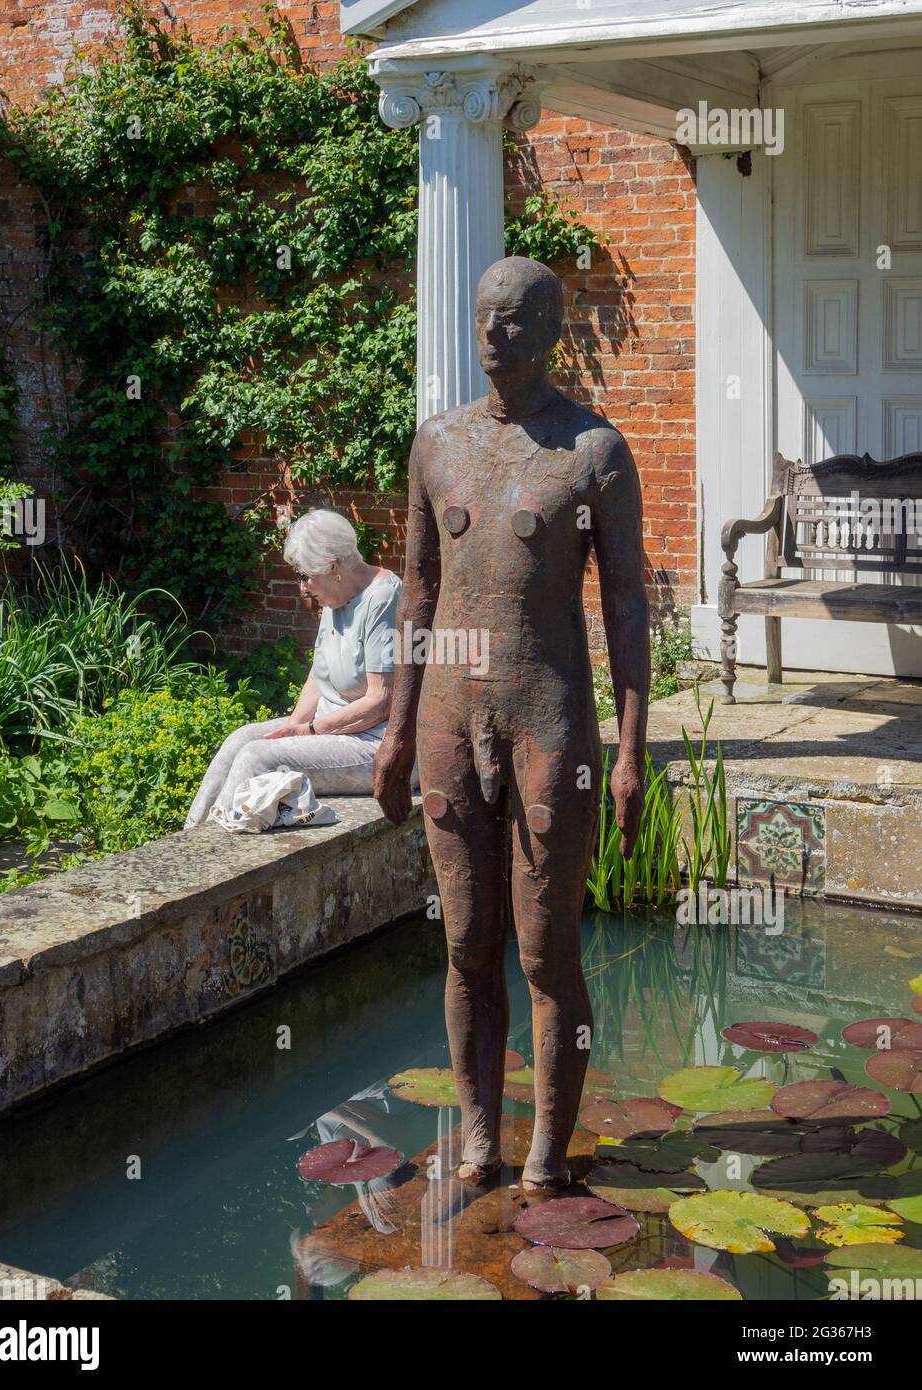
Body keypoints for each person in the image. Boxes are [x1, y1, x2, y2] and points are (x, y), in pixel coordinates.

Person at [373, 256, 649, 1190]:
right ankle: (481, 1138)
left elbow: (625, 610)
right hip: (453, 717)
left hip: (548, 723)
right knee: (463, 941)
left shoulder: (591, 451)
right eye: (487, 315)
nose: (497, 330)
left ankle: (545, 1156)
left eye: (519, 316)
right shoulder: (437, 445)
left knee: (544, 947)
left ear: (552, 331)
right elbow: (417, 591)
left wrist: (630, 753)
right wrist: (399, 732)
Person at [184, 509, 406, 829]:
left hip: (374, 742)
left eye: (305, 575)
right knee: (241, 739)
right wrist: (294, 727)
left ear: (333, 567)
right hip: (331, 730)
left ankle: (213, 849)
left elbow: (381, 701)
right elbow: (319, 674)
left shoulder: (383, 597)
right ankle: (192, 834)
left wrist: (310, 732)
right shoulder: (335, 595)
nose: (303, 587)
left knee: (257, 757)